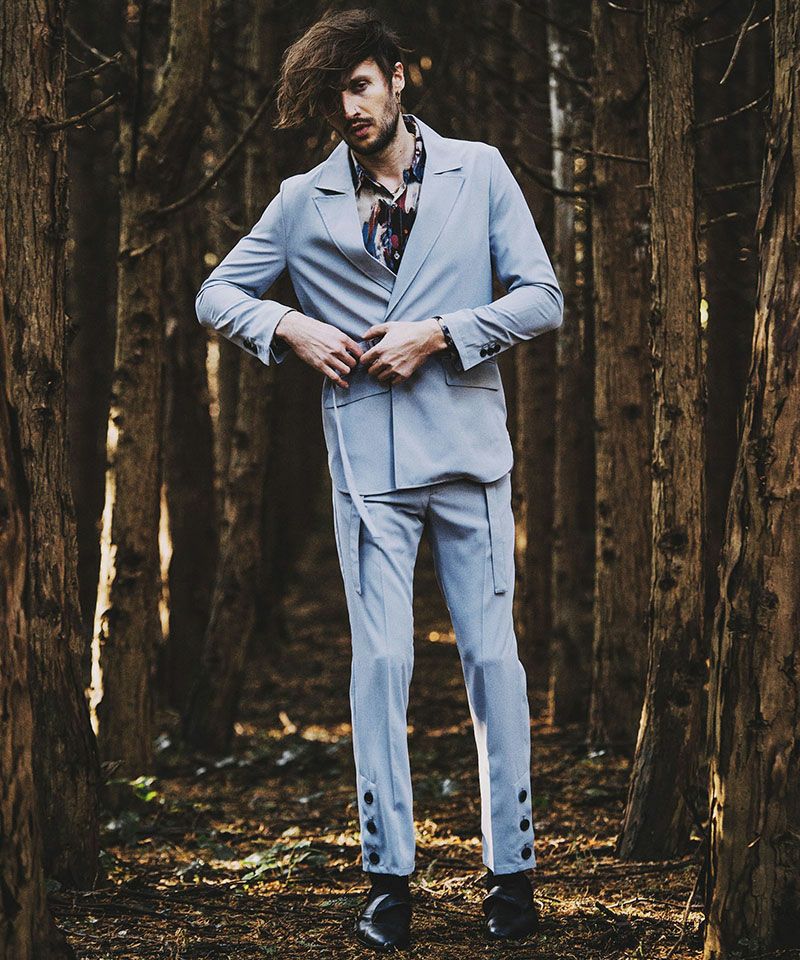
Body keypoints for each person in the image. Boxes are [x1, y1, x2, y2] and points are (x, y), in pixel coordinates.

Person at [195, 7, 563, 950]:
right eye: (332, 98)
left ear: (397, 77)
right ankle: (387, 880)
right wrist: (289, 326)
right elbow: (215, 293)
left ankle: (513, 872)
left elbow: (542, 298)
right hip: (368, 470)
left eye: (359, 86)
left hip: (471, 455)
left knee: (493, 662)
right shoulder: (300, 200)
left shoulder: (480, 170)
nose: (349, 109)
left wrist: (440, 333)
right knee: (383, 663)